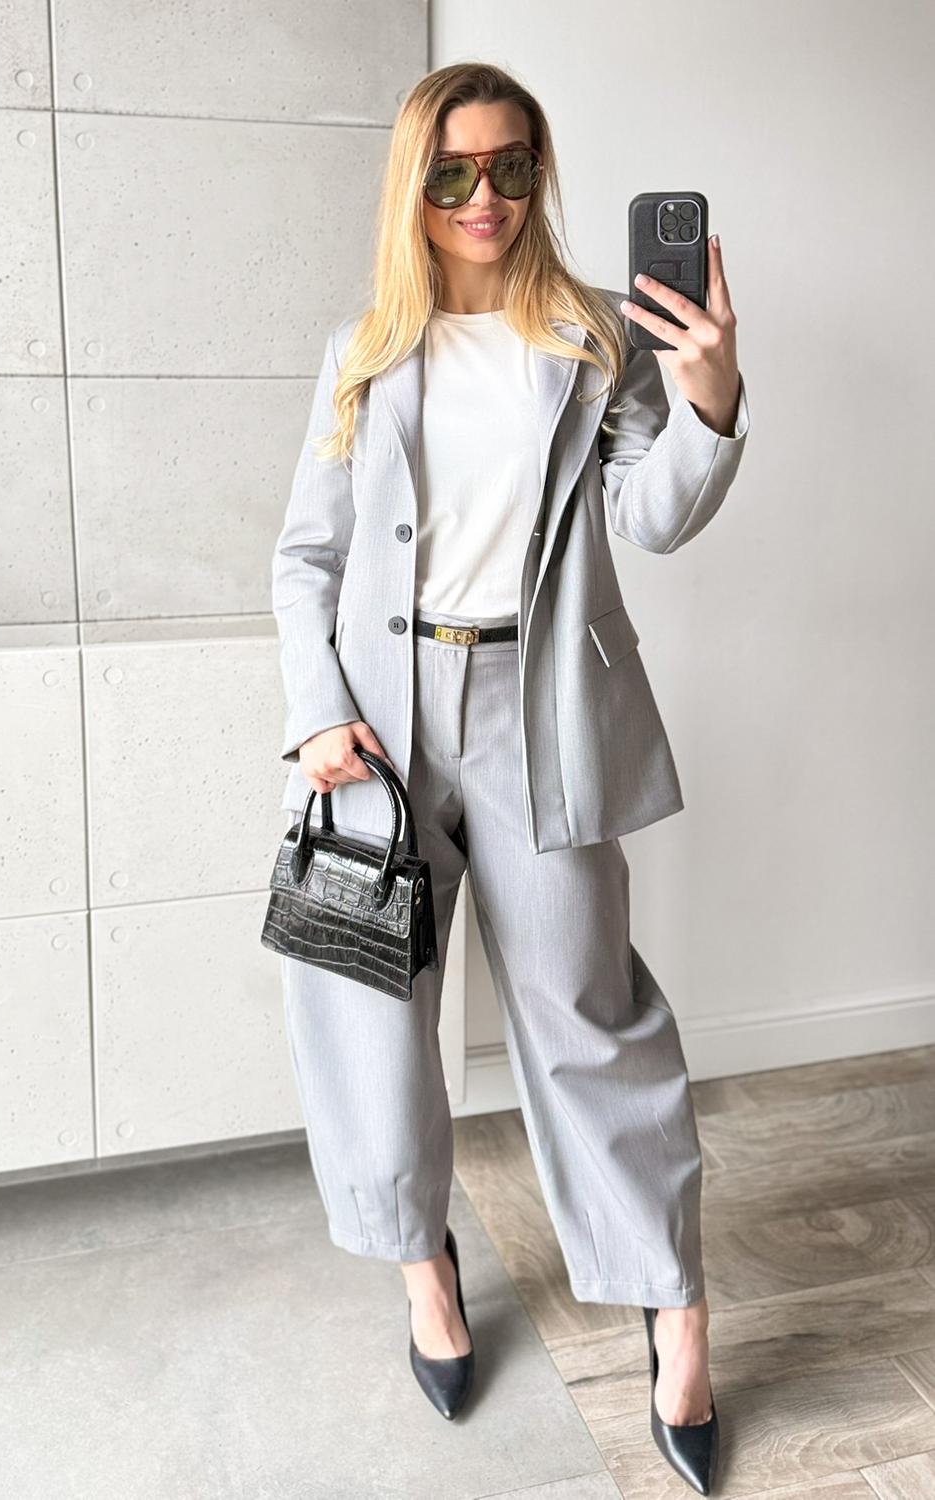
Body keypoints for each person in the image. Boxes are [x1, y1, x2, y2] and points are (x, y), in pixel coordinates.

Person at [271, 60, 748, 1494]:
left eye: (513, 166)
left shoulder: (596, 333)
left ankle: (672, 1305)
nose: (486, 198)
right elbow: (305, 558)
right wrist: (316, 715)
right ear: (412, 185)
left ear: (541, 172)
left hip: (540, 715)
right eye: (453, 171)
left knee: (589, 1014)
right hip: (379, 727)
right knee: (371, 1016)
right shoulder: (363, 349)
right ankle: (421, 1265)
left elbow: (649, 517)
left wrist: (709, 397)